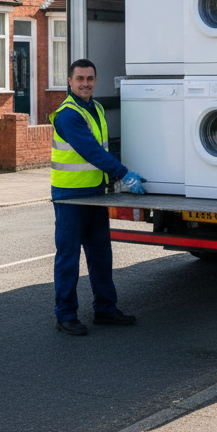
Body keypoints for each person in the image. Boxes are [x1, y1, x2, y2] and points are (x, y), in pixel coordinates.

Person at [50, 58, 146, 336]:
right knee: (68, 258)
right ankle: (65, 315)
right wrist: (124, 174)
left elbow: (103, 150)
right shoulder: (68, 114)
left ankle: (105, 308)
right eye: (80, 79)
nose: (85, 84)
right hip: (70, 197)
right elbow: (92, 151)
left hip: (94, 194)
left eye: (90, 79)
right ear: (69, 81)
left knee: (101, 253)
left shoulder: (96, 108)